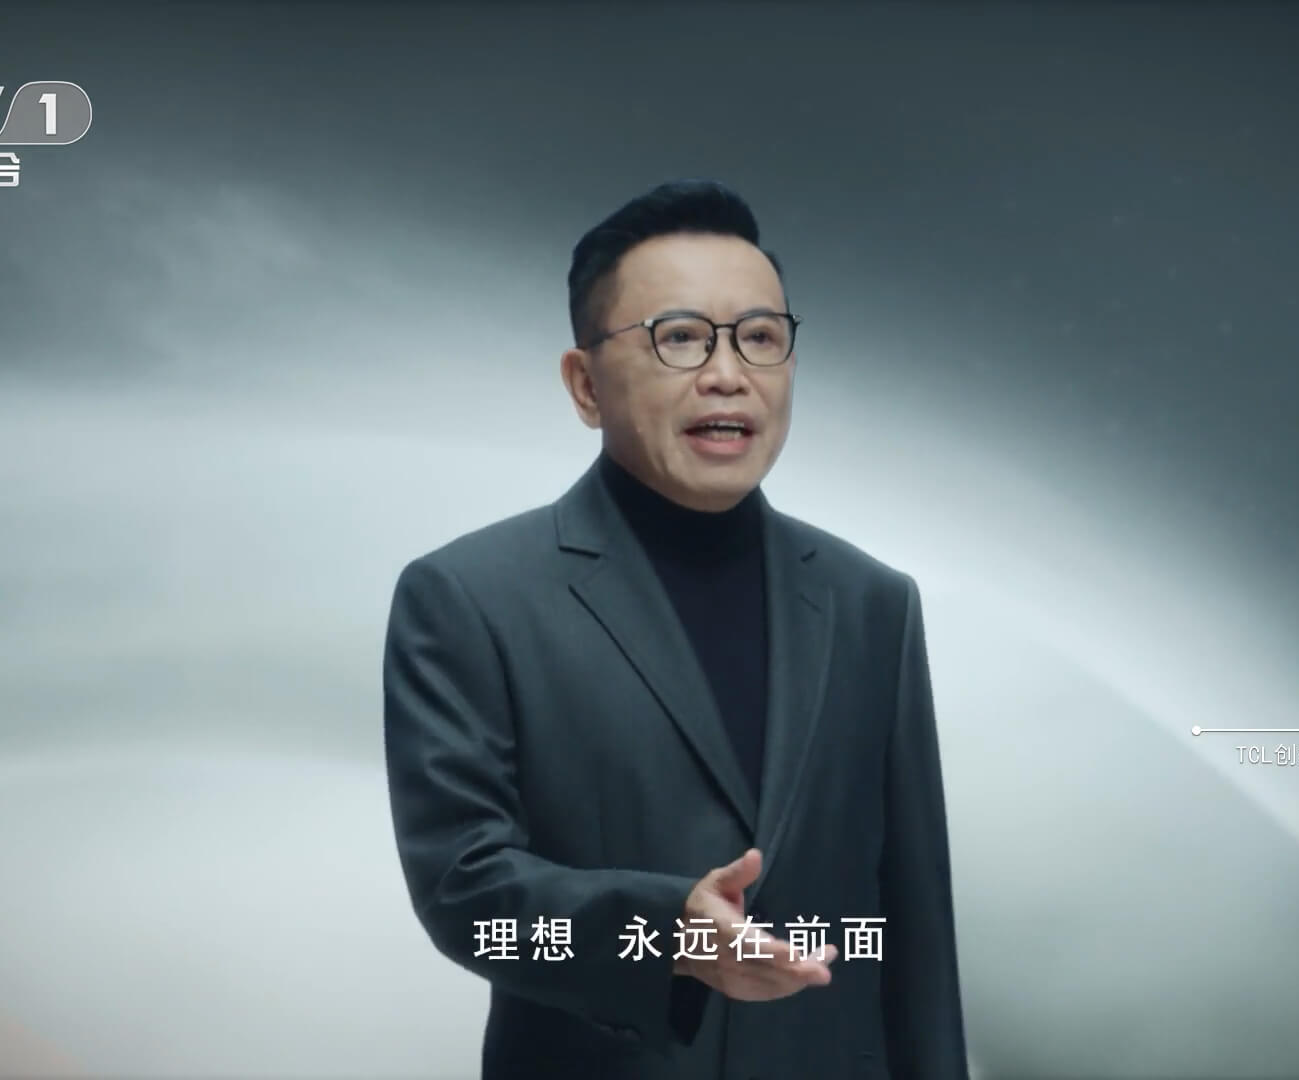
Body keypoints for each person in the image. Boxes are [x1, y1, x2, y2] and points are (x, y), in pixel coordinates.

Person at [383, 179, 968, 1080]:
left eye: (760, 338)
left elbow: (916, 927)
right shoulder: (469, 596)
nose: (728, 374)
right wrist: (670, 935)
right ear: (585, 385)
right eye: (681, 337)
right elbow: (462, 892)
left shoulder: (873, 604)